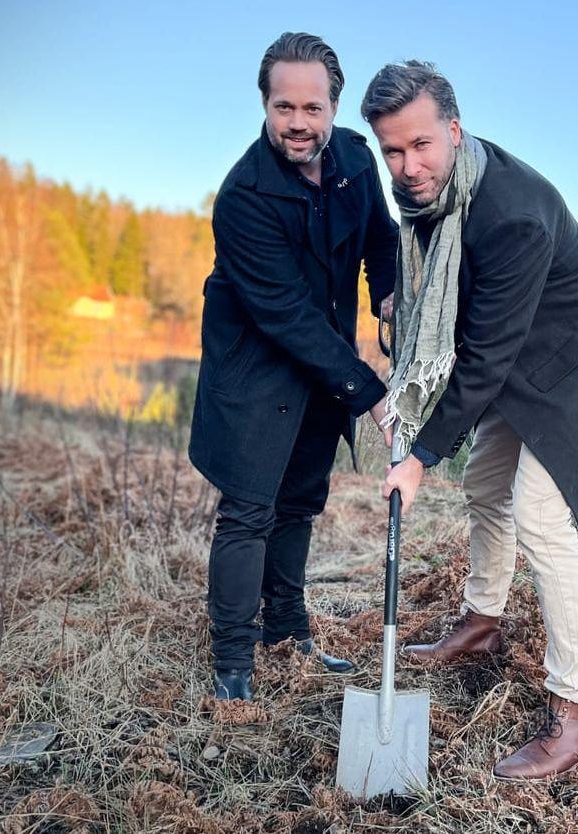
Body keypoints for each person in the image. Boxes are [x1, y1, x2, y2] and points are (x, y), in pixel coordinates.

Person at [361, 61, 578, 779]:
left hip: (575, 361)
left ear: (453, 131)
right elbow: (434, 283)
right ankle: (481, 624)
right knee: (486, 486)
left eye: (420, 145)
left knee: (540, 516)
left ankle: (576, 714)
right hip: (517, 351)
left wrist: (418, 454)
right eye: (391, 150)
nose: (407, 165)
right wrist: (402, 303)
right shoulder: (429, 193)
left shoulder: (509, 212)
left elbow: (481, 358)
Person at [189, 32, 397, 702]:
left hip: (322, 357)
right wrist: (369, 393)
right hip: (257, 361)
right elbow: (284, 313)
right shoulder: (244, 197)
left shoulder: (357, 164)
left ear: (334, 107)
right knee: (249, 508)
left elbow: (380, 238)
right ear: (265, 104)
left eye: (312, 107)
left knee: (301, 502)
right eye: (285, 107)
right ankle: (231, 667)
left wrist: (387, 293)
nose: (298, 122)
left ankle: (286, 633)